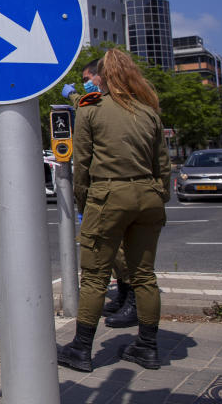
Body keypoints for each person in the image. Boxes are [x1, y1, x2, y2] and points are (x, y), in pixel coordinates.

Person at [58, 48, 171, 372]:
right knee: (145, 276)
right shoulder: (149, 111)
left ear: (103, 77)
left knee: (94, 278)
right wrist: (158, 194)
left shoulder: (91, 109)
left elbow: (82, 164)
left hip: (108, 195)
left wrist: (84, 203)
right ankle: (147, 348)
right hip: (147, 197)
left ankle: (81, 350)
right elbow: (162, 164)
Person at [62, 59, 137, 327]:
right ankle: (126, 295)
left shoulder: (104, 103)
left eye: (87, 78)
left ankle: (132, 301)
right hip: (124, 188)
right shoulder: (134, 103)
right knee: (115, 249)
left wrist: (81, 198)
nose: (85, 84)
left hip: (108, 187)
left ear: (99, 77)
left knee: (110, 251)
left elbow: (86, 107)